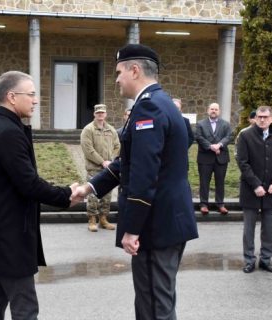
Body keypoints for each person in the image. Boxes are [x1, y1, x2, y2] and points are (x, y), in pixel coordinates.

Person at [74, 43, 198, 319]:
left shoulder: (148, 109)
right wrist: (90, 187)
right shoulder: (164, 104)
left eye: (119, 72)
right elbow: (130, 162)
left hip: (155, 226)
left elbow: (145, 174)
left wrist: (132, 229)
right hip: (169, 220)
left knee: (154, 305)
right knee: (158, 300)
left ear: (134, 70)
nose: (116, 79)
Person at [0, 71, 80, 319]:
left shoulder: (2, 126)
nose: (35, 100)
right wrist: (66, 195)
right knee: (25, 309)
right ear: (11, 96)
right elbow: (28, 183)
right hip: (9, 239)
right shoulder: (7, 132)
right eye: (30, 94)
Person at [236, 106, 272, 274]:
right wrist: (256, 185)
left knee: (268, 227)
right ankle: (249, 260)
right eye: (259, 116)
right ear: (255, 118)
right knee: (249, 228)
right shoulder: (245, 136)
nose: (262, 120)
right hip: (251, 189)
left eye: (266, 117)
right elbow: (243, 163)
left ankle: (266, 260)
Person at [80, 103, 120, 232]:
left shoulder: (111, 130)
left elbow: (117, 146)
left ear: (106, 114)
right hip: (94, 168)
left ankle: (103, 219)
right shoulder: (88, 129)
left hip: (108, 168)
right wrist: (102, 161)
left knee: (107, 196)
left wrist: (111, 161)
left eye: (102, 112)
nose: (100, 115)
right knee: (93, 195)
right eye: (98, 113)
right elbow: (88, 149)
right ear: (94, 114)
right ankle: (92, 219)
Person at [195, 102, 232, 215]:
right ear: (208, 110)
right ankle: (204, 204)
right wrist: (211, 147)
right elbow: (198, 137)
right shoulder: (200, 124)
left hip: (221, 158)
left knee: (220, 182)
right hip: (205, 158)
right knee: (204, 182)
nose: (214, 111)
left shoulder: (225, 124)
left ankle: (220, 204)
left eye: (216, 109)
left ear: (219, 111)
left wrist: (219, 145)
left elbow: (229, 136)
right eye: (212, 109)